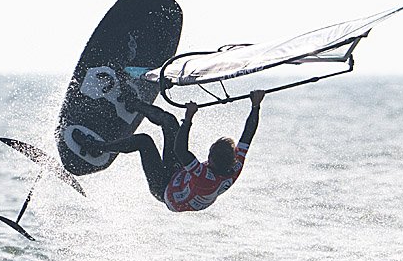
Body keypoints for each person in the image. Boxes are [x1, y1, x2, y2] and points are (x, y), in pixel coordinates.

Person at [72, 88, 265, 212]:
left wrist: (189, 118)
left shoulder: (203, 176)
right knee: (170, 122)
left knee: (144, 142)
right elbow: (248, 135)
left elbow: (180, 150)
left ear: (212, 161)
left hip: (165, 190)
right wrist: (256, 106)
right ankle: (132, 103)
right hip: (180, 177)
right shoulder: (235, 167)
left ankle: (96, 147)